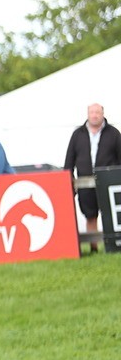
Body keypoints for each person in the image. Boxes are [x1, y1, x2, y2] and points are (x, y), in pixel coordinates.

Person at [64, 102, 121, 251]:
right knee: (90, 214)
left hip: (108, 181)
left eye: (97, 112)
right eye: (92, 112)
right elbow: (70, 159)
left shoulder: (114, 133)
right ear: (88, 114)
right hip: (84, 181)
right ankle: (93, 247)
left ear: (103, 114)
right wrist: (67, 179)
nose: (95, 115)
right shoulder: (78, 134)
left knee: (110, 214)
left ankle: (114, 246)